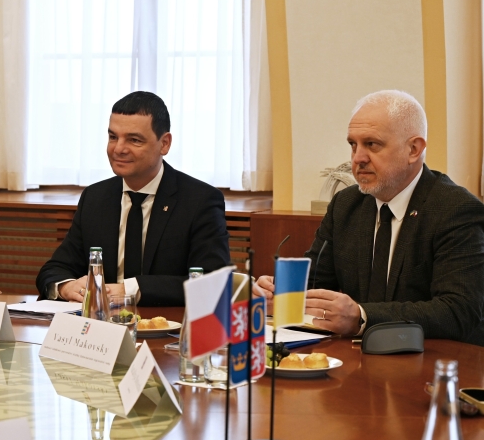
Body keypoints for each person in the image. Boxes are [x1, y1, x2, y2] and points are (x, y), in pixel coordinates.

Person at [254, 90, 484, 345]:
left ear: (413, 149)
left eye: (372, 144)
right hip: (358, 358)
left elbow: (458, 311)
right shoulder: (346, 204)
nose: (358, 158)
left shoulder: (455, 209)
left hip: (434, 357)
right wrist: (279, 292)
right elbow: (317, 282)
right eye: (353, 145)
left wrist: (363, 317)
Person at [36, 91, 231, 306]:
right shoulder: (95, 198)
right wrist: (66, 287)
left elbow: (213, 282)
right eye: (113, 137)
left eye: (134, 140)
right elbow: (55, 269)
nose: (118, 149)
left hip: (166, 323)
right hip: (101, 324)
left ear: (164, 144)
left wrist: (128, 290)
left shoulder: (199, 201)